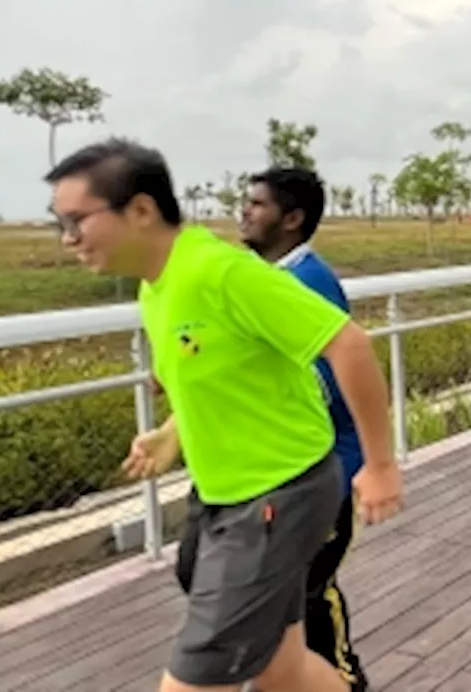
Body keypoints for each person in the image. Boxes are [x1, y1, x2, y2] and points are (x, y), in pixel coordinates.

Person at [45, 138, 402, 692]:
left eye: (76, 221)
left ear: (140, 211)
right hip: (226, 495)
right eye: (57, 224)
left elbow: (348, 345)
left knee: (192, 681)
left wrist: (380, 464)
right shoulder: (155, 288)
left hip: (275, 494)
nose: (67, 239)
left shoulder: (221, 272)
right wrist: (170, 435)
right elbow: (216, 377)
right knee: (282, 668)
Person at [173, 167, 369, 691]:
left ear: (292, 218)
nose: (244, 211)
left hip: (309, 476)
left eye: (256, 204)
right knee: (227, 586)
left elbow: (323, 395)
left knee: (305, 598)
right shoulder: (264, 280)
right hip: (261, 476)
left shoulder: (305, 284)